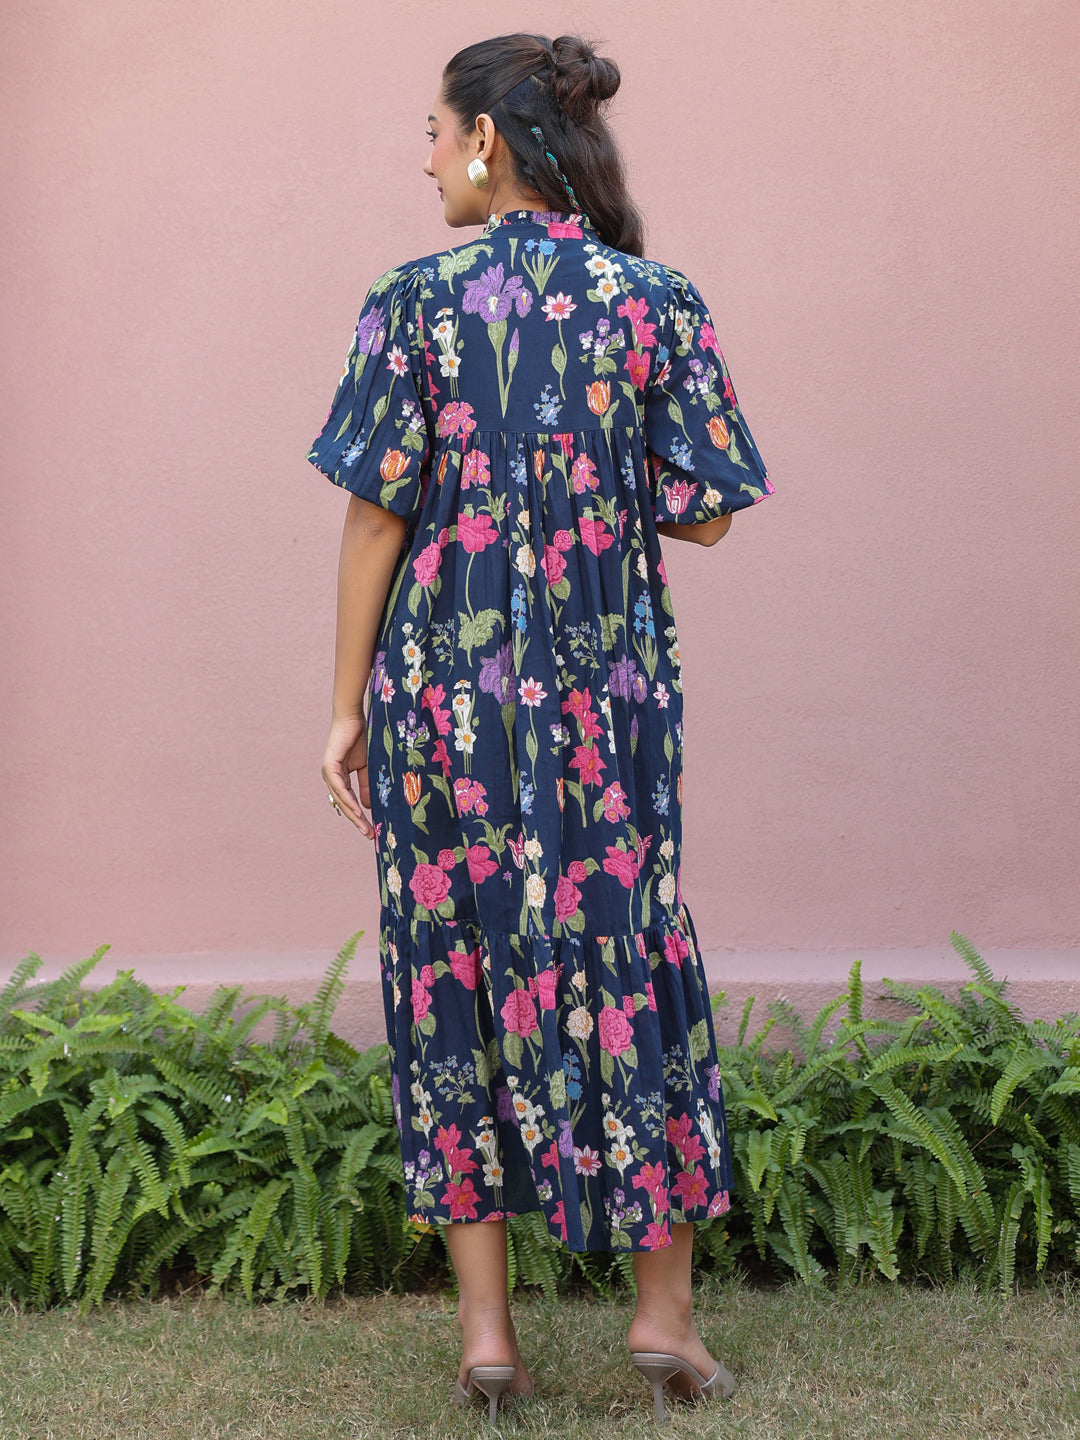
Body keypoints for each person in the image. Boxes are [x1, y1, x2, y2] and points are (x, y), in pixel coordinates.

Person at [308, 31, 773, 1423]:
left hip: (443, 707)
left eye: (432, 128)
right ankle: (663, 1318)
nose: (424, 153)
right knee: (630, 967)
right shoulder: (655, 302)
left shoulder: (409, 301)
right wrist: (586, 464)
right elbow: (706, 507)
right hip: (601, 702)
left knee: (450, 973)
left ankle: (489, 1341)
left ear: (485, 143)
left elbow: (377, 509)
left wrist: (342, 707)